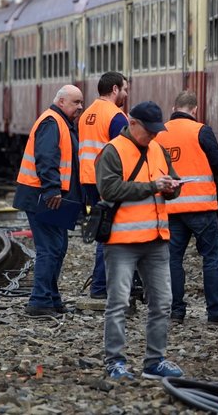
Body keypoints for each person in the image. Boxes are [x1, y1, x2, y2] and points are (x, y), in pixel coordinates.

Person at [95, 101, 184, 381]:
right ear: (132, 124)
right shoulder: (112, 151)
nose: (155, 136)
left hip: (156, 240)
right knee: (119, 302)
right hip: (122, 242)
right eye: (150, 130)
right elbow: (108, 188)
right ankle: (115, 362)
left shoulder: (158, 148)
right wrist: (153, 187)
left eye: (158, 131)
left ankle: (154, 361)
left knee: (162, 302)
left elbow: (171, 182)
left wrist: (172, 188)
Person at [154, 91, 218, 325]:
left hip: (171, 207)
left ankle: (177, 312)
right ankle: (215, 312)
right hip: (201, 208)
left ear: (174, 108)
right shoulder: (201, 130)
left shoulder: (159, 134)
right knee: (210, 258)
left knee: (173, 260)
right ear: (194, 110)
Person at [12, 85, 85, 316]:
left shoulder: (61, 122)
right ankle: (40, 301)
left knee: (58, 247)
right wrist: (52, 189)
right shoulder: (52, 122)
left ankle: (51, 298)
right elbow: (46, 157)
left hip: (53, 197)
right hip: (43, 196)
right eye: (76, 102)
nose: (80, 107)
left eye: (81, 102)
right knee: (50, 249)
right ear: (62, 101)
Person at [78, 71, 129, 300]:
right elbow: (124, 151)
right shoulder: (116, 116)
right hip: (106, 180)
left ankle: (103, 285)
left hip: (88, 179)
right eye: (125, 89)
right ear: (115, 89)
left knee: (103, 228)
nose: (126, 94)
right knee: (108, 232)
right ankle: (100, 286)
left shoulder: (87, 113)